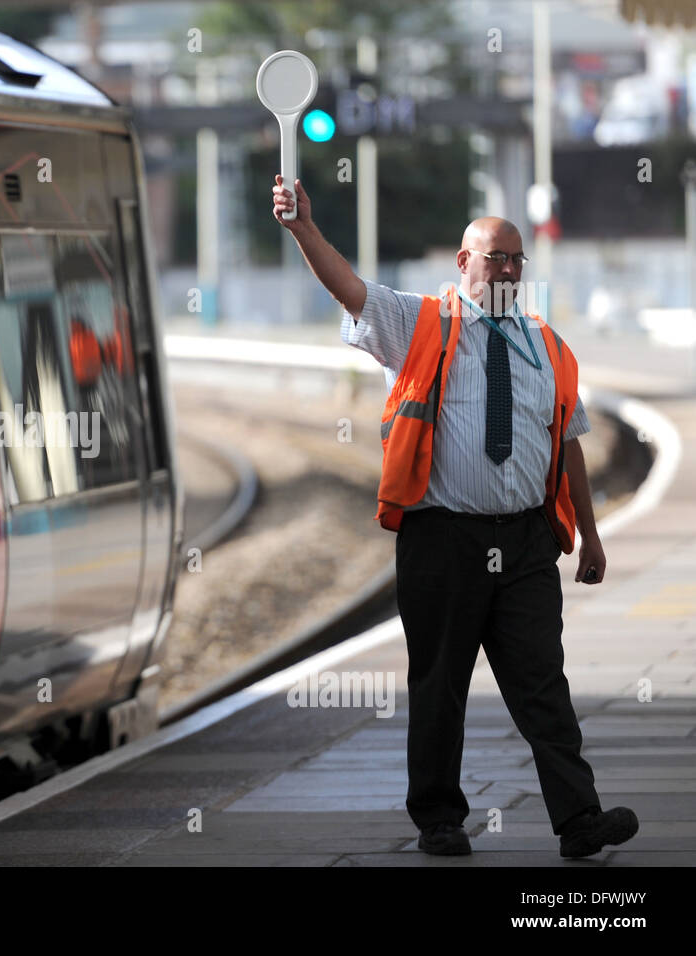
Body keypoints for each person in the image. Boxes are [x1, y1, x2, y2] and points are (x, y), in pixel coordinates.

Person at [272, 176, 639, 859]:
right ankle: (440, 820)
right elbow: (347, 287)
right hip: (443, 537)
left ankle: (579, 820)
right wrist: (303, 230)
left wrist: (589, 536)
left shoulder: (548, 346)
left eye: (515, 259)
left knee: (543, 686)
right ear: (463, 264)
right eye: (493, 256)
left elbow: (569, 445)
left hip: (528, 541)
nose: (505, 268)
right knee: (441, 684)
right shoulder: (419, 322)